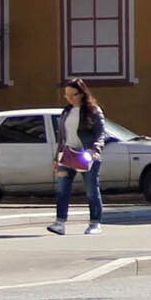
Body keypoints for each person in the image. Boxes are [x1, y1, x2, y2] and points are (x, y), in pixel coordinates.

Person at [48, 78, 108, 236]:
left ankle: (95, 223)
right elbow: (62, 137)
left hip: (86, 155)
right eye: (66, 95)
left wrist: (95, 150)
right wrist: (56, 158)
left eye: (72, 95)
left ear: (82, 93)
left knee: (91, 190)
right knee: (62, 189)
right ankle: (60, 223)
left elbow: (101, 133)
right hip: (67, 155)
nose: (69, 98)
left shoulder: (93, 110)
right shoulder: (66, 111)